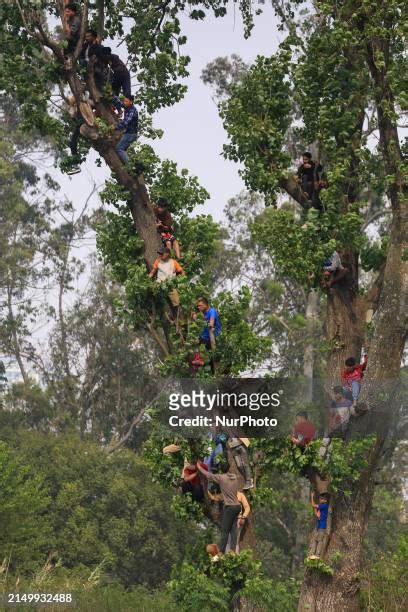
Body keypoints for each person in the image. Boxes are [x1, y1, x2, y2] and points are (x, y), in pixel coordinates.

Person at [197, 461, 241, 556]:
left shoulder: (221, 478)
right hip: (237, 506)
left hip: (229, 507)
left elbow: (208, 475)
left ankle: (221, 551)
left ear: (221, 469)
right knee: (233, 529)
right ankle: (233, 551)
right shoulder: (235, 477)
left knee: (225, 530)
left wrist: (199, 467)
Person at [114, 95, 138, 164]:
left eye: (126, 101)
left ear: (131, 102)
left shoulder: (132, 110)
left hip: (130, 134)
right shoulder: (127, 106)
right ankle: (131, 164)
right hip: (128, 133)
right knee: (123, 149)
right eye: (124, 101)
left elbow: (126, 122)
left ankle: (130, 166)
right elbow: (119, 103)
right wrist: (112, 96)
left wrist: (116, 127)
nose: (124, 102)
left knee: (119, 149)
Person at [308, 492, 330, 560]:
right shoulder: (321, 506)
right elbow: (317, 514)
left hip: (322, 526)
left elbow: (313, 505)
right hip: (319, 525)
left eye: (322, 499)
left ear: (325, 500)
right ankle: (312, 554)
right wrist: (316, 508)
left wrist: (312, 496)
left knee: (320, 540)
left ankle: (317, 555)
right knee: (315, 539)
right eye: (320, 498)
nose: (320, 499)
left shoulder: (324, 506)